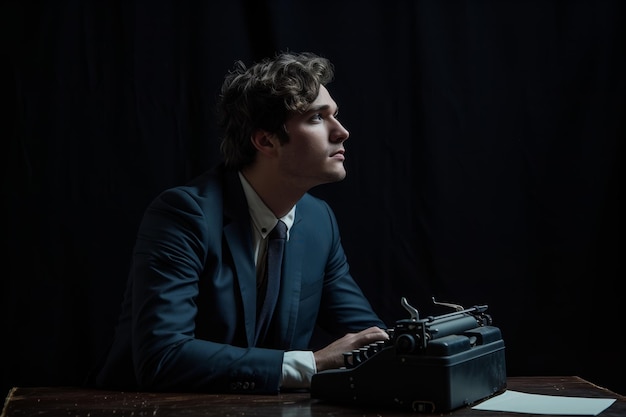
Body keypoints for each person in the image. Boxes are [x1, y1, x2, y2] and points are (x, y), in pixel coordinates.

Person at [90, 51, 388, 394]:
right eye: (317, 118)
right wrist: (313, 364)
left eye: (335, 115)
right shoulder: (183, 215)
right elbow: (163, 356)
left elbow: (367, 336)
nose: (342, 132)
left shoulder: (319, 221)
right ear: (265, 141)